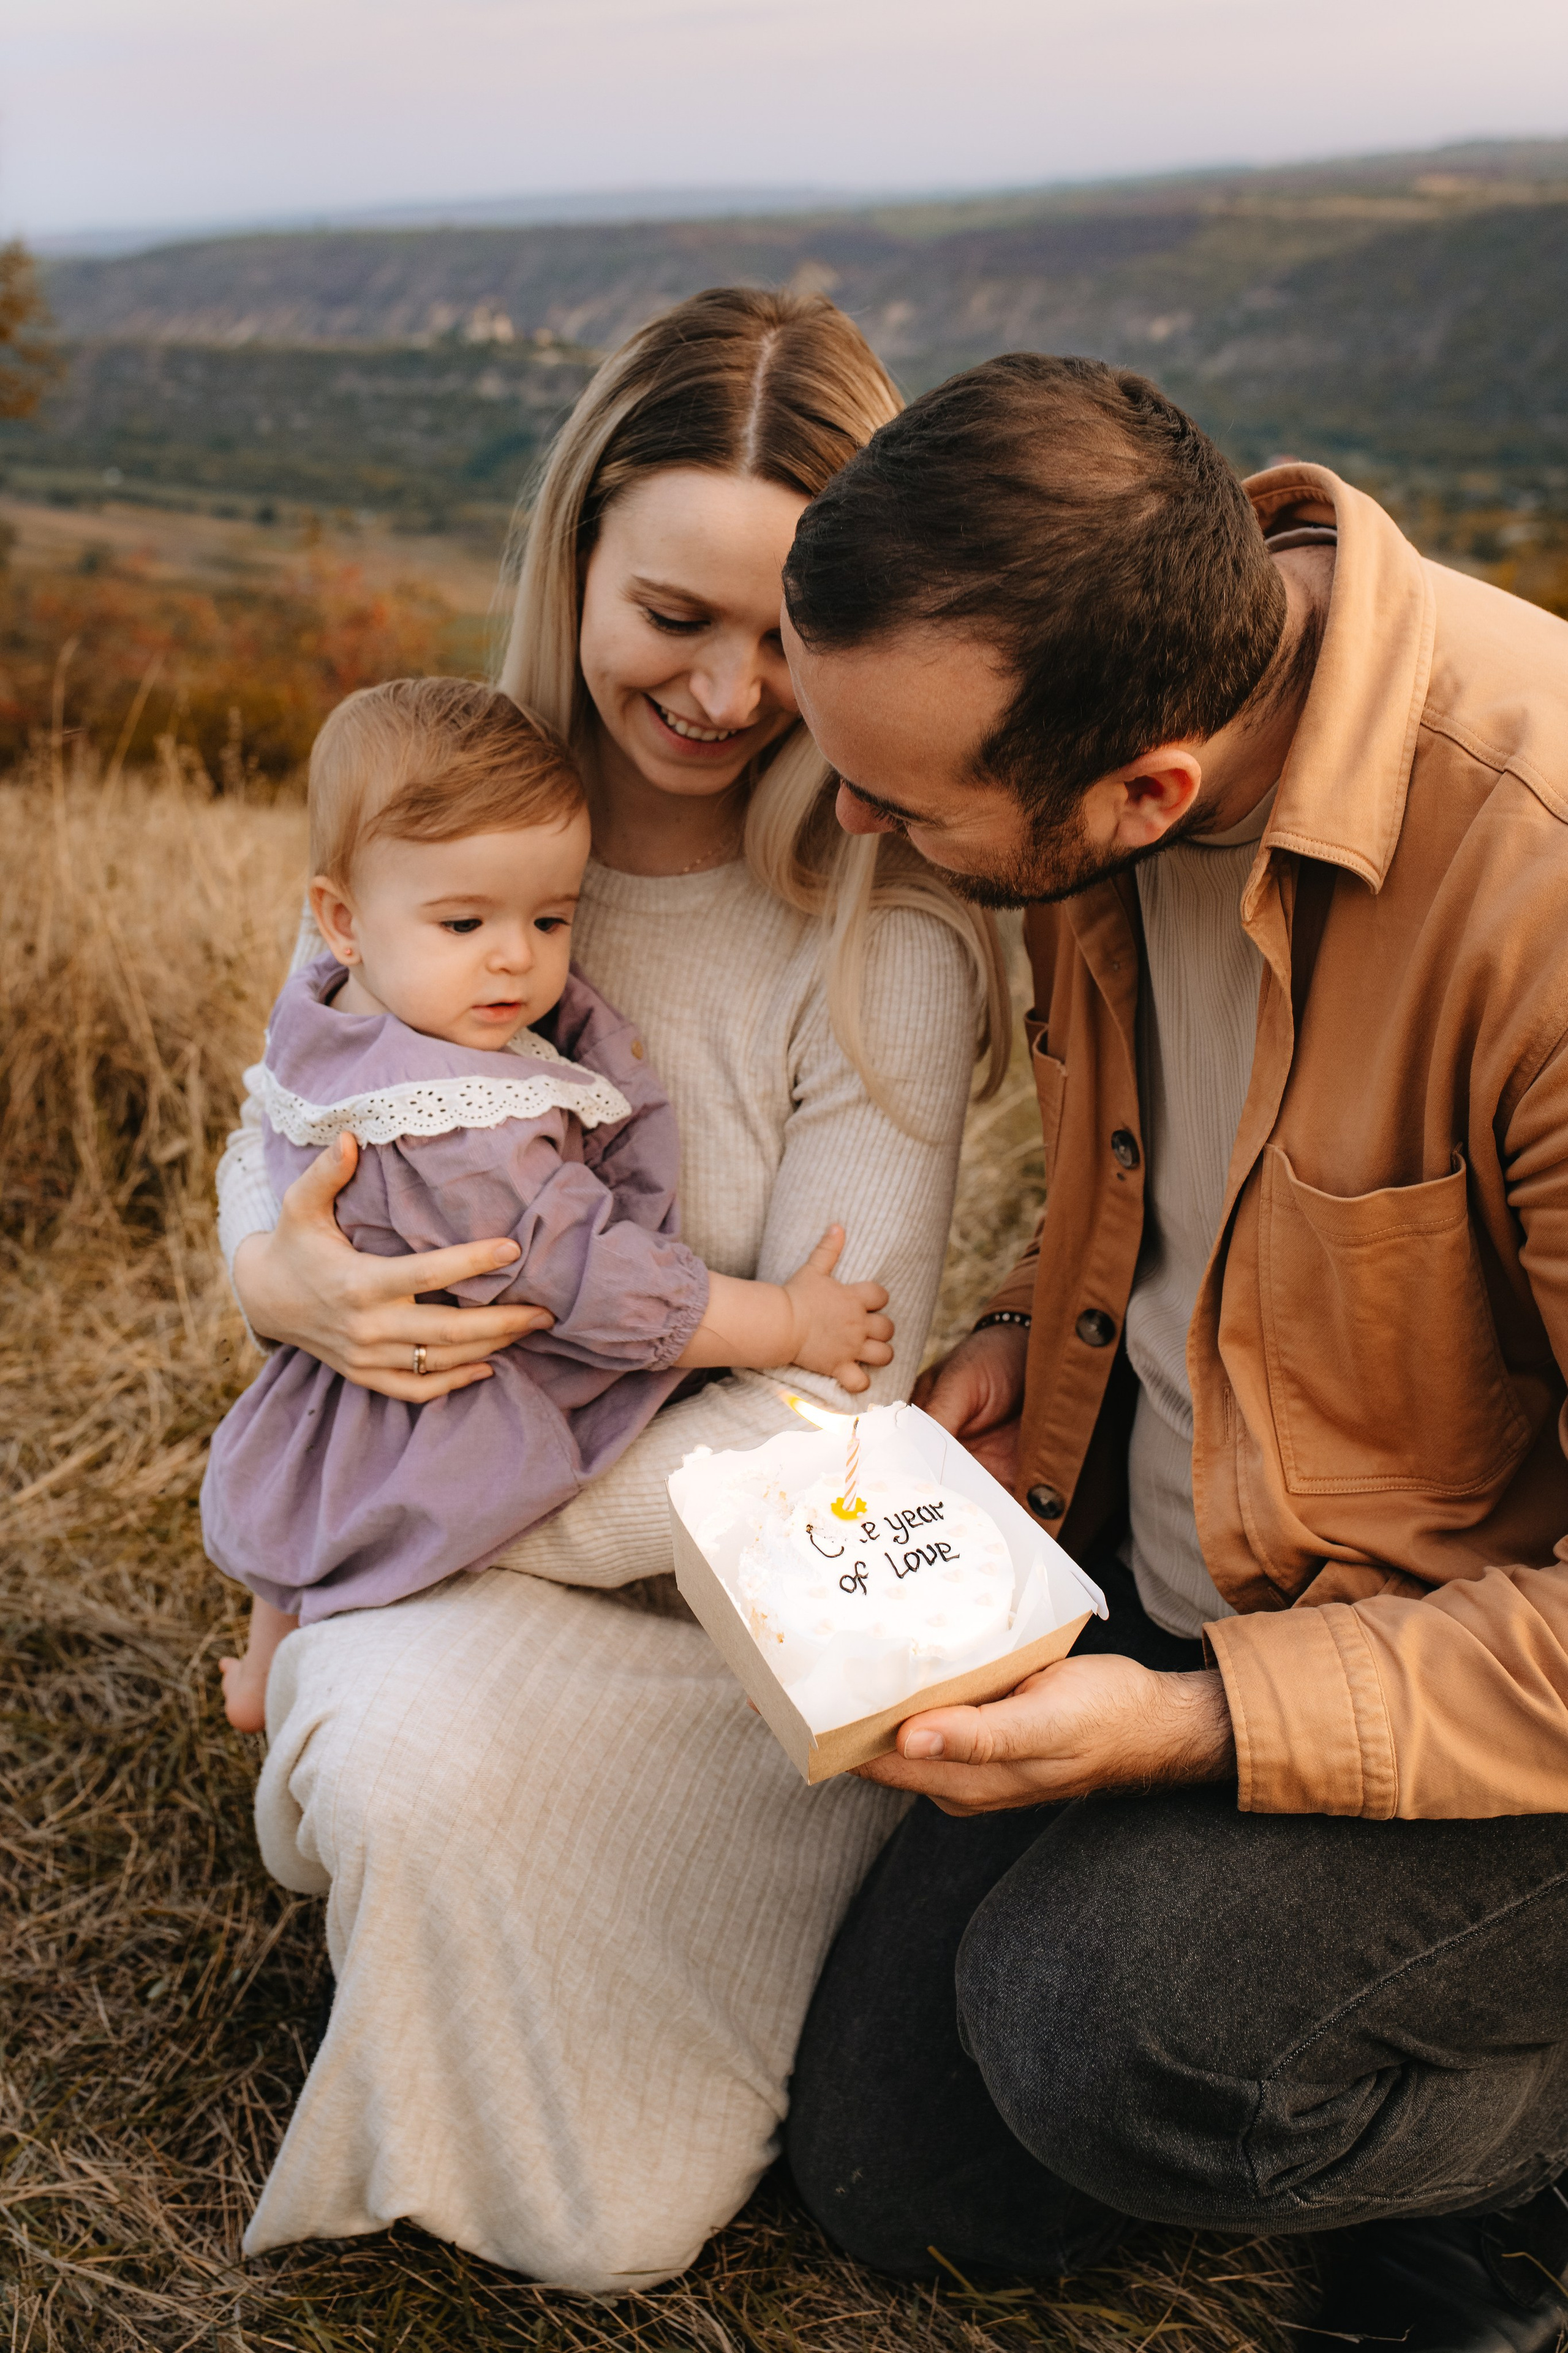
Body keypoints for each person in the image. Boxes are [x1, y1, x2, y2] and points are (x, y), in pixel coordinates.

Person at [214, 289, 1010, 2287]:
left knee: (622, 2207)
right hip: (452, 1542)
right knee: (398, 1747)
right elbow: (299, 1130)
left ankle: (563, 2044)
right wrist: (277, 1283)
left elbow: (822, 1410)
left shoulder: (875, 944)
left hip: (717, 1606)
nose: (730, 690)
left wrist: (392, 1501)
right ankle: (426, 1987)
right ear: (573, 548)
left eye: (788, 633)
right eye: (676, 613)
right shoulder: (443, 837)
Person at [778, 353, 1568, 2351]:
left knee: (1099, 2035)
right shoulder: (1114, 689)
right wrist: (1027, 1340)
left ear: (1145, 791)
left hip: (1485, 1680)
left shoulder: (1537, 887)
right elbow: (1234, 1213)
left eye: (895, 801)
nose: (845, 820)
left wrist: (1203, 1721)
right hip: (1199, 1571)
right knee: (892, 2170)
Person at [206, 676, 891, 1731]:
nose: (515, 956)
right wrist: (789, 1320)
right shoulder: (460, 1130)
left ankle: (264, 1667)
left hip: (336, 1389)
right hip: (440, 1405)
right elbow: (589, 1275)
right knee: (372, 1538)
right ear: (340, 919)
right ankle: (311, 1671)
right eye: (466, 920)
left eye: (551, 916)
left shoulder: (338, 1012)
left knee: (310, 1504)